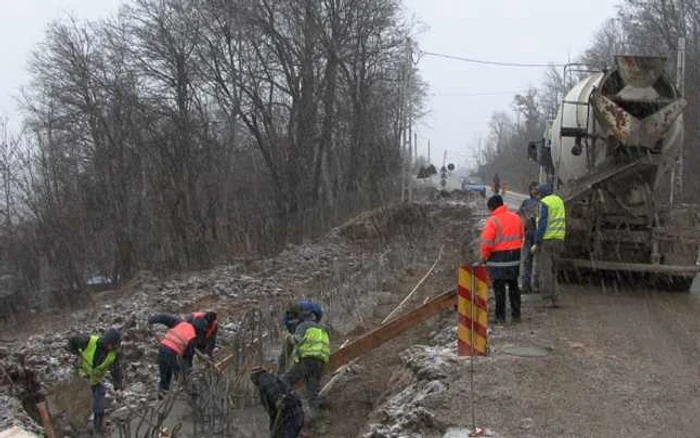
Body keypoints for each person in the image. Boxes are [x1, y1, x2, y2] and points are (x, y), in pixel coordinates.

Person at [68, 328, 123, 436]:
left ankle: (97, 429)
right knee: (81, 404)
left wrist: (118, 387)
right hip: (81, 378)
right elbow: (72, 339)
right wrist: (75, 354)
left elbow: (116, 371)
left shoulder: (113, 354)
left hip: (95, 381)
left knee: (99, 401)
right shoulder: (89, 341)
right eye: (113, 345)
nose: (114, 348)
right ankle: (77, 428)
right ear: (107, 342)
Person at [480, 195, 525, 324]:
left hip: (498, 259)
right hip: (514, 258)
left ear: (492, 207)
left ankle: (501, 318)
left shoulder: (493, 221)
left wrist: (485, 257)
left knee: (499, 288)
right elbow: (522, 236)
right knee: (513, 286)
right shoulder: (516, 218)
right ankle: (516, 315)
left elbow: (487, 243)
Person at [283, 302, 330, 419]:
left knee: (285, 380)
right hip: (320, 362)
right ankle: (319, 415)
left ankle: (287, 407)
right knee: (312, 392)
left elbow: (296, 340)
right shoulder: (322, 328)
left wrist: (287, 336)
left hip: (307, 360)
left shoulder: (303, 326)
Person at [148, 313, 207, 397]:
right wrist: (187, 369)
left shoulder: (180, 323)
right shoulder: (192, 337)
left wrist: (153, 319)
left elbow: (165, 317)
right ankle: (188, 392)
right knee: (178, 373)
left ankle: (162, 392)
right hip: (171, 352)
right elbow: (187, 357)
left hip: (162, 347)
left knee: (165, 372)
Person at [532, 182, 566, 307]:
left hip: (547, 240)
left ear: (542, 193)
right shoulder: (559, 201)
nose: (537, 197)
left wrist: (537, 242)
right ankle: (556, 298)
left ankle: (548, 299)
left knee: (545, 270)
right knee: (553, 271)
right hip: (559, 240)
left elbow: (542, 224)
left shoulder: (545, 203)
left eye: (538, 194)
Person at [250, 367, 304, 438]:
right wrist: (272, 429)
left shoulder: (264, 379)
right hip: (293, 415)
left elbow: (272, 389)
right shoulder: (271, 381)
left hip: (290, 415)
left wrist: (277, 399)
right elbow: (273, 413)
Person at [278, 299, 324, 374]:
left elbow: (319, 311)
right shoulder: (287, 316)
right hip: (295, 334)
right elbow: (287, 327)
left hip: (309, 332)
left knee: (306, 351)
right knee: (285, 352)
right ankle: (281, 373)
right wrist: (290, 337)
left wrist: (316, 323)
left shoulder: (308, 306)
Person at [518, 181, 541, 294]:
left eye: (536, 188)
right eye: (532, 188)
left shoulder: (542, 203)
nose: (534, 191)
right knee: (527, 261)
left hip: (538, 235)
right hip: (528, 235)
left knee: (537, 262)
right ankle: (526, 285)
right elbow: (519, 216)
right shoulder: (526, 202)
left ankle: (536, 286)